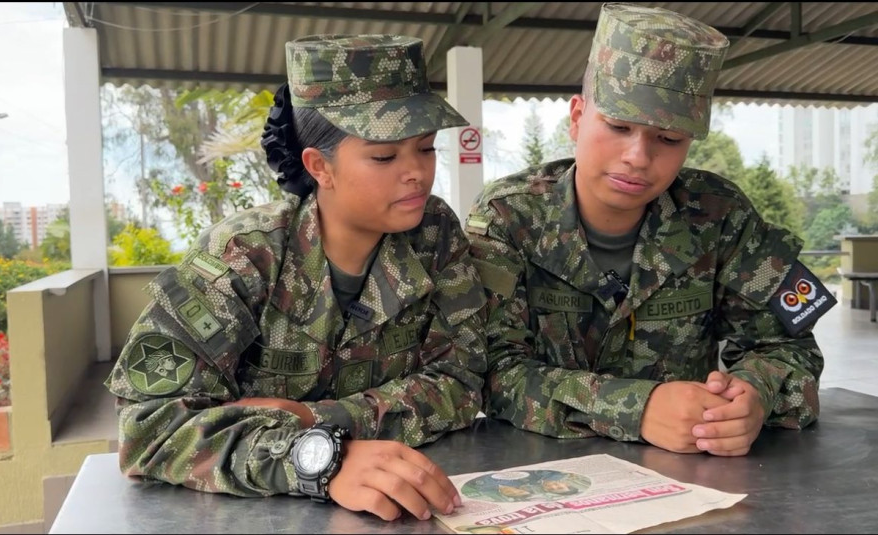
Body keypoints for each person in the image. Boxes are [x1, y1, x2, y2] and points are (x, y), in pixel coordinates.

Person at [104, 34, 488, 522]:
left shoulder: (433, 235)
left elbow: (464, 378)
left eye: (427, 148)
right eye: (385, 157)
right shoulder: (244, 256)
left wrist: (314, 419)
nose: (417, 173)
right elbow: (148, 431)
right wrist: (316, 460)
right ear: (319, 166)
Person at [465, 3, 835, 458]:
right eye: (618, 127)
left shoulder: (721, 217)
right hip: (544, 468)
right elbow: (490, 373)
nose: (638, 157)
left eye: (668, 139)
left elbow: (787, 349)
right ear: (577, 118)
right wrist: (635, 408)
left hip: (693, 470)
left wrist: (753, 398)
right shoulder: (509, 217)